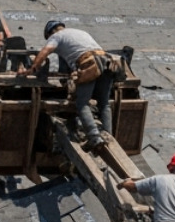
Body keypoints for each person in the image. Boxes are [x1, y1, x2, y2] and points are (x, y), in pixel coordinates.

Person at [17, 20, 116, 151]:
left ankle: (94, 137)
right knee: (104, 103)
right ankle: (109, 137)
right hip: (109, 63)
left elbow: (46, 51)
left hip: (90, 63)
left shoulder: (56, 36)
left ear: (50, 33)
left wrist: (32, 68)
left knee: (82, 104)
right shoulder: (79, 32)